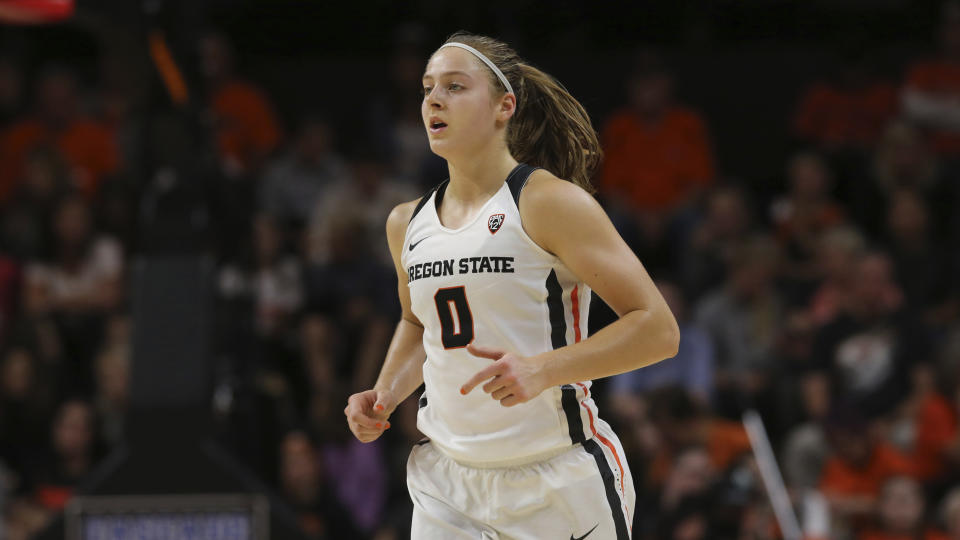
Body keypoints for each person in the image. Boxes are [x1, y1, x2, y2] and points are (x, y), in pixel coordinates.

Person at [344, 31, 679, 539]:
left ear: (505, 106)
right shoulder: (405, 223)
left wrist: (543, 369)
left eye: (455, 86)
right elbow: (419, 321)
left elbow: (657, 329)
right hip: (448, 483)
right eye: (427, 87)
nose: (434, 99)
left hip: (557, 477)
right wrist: (384, 393)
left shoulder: (547, 202)